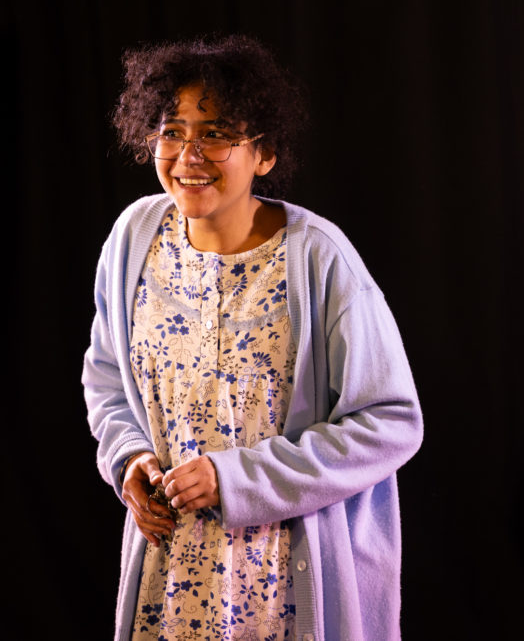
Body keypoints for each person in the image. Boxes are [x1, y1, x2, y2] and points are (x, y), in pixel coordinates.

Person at [83, 34, 423, 641]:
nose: (189, 155)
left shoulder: (318, 258)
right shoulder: (134, 238)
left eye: (215, 134)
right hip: (172, 582)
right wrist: (129, 456)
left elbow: (391, 421)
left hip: (282, 587)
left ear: (263, 153)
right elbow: (107, 377)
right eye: (172, 131)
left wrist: (236, 478)